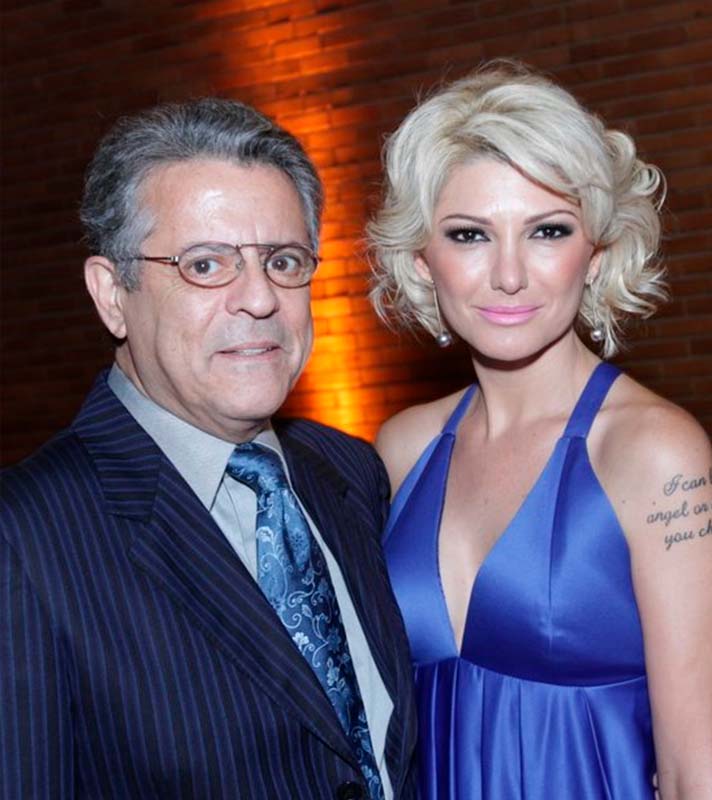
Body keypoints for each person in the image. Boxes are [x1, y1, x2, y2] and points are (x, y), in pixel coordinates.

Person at [0, 98, 417, 800]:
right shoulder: (24, 536)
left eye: (282, 260)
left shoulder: (350, 472)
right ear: (112, 294)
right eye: (205, 264)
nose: (260, 298)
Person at [368, 62, 712, 799]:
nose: (509, 275)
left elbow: (696, 774)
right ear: (422, 261)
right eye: (469, 235)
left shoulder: (654, 452)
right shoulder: (401, 448)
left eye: (547, 231)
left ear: (595, 255)